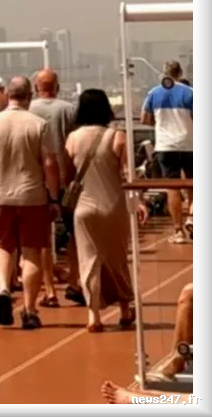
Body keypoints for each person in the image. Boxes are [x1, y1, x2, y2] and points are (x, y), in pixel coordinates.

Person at [0, 76, 61, 329]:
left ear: (7, 95)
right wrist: (54, 197)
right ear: (30, 96)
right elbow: (50, 164)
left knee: (2, 246)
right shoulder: (39, 125)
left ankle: (3, 288)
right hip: (32, 195)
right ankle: (30, 309)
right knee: (32, 251)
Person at [64, 89, 143, 332]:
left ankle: (93, 315)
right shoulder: (116, 136)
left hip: (84, 208)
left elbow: (68, 175)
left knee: (89, 261)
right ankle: (125, 309)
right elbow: (128, 174)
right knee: (117, 259)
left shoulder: (73, 138)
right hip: (113, 205)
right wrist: (139, 202)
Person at [30, 68, 81, 308]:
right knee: (74, 233)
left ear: (35, 87)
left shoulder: (28, 111)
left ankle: (49, 289)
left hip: (37, 182)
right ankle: (74, 281)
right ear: (57, 87)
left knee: (41, 238)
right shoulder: (69, 110)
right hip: (66, 179)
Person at [141, 60, 193, 244]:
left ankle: (178, 231)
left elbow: (144, 119)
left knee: (172, 188)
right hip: (188, 145)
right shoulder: (189, 93)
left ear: (164, 73)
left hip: (165, 146)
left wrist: (160, 124)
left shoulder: (154, 93)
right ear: (180, 73)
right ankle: (192, 217)